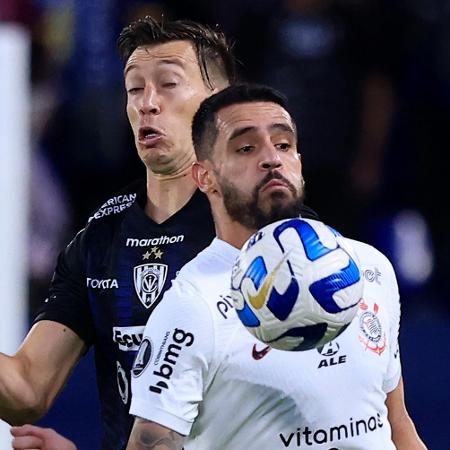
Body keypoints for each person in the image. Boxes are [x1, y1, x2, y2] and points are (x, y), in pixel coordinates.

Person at [9, 85, 426, 450]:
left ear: (299, 160)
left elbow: (397, 426)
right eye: (245, 148)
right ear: (204, 177)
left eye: (282, 145)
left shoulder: (368, 268)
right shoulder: (192, 306)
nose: (271, 159)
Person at [1, 16, 237, 450]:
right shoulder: (99, 238)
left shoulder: (257, 229)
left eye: (168, 84)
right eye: (134, 88)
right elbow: (27, 389)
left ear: (219, 105)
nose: (147, 103)